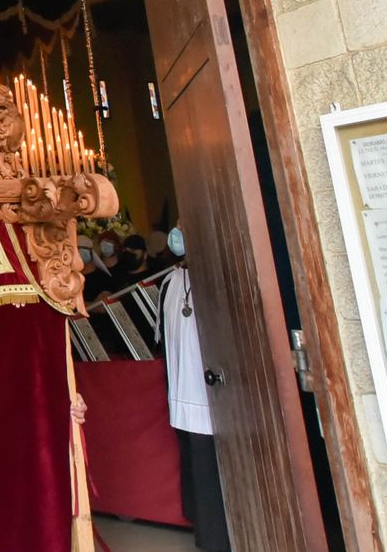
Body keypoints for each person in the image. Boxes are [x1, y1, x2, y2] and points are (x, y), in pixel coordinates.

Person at [158, 226, 231, 551]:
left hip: (214, 392)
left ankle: (219, 538)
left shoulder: (217, 277)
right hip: (183, 390)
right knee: (197, 469)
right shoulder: (170, 282)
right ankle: (206, 535)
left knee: (214, 469)